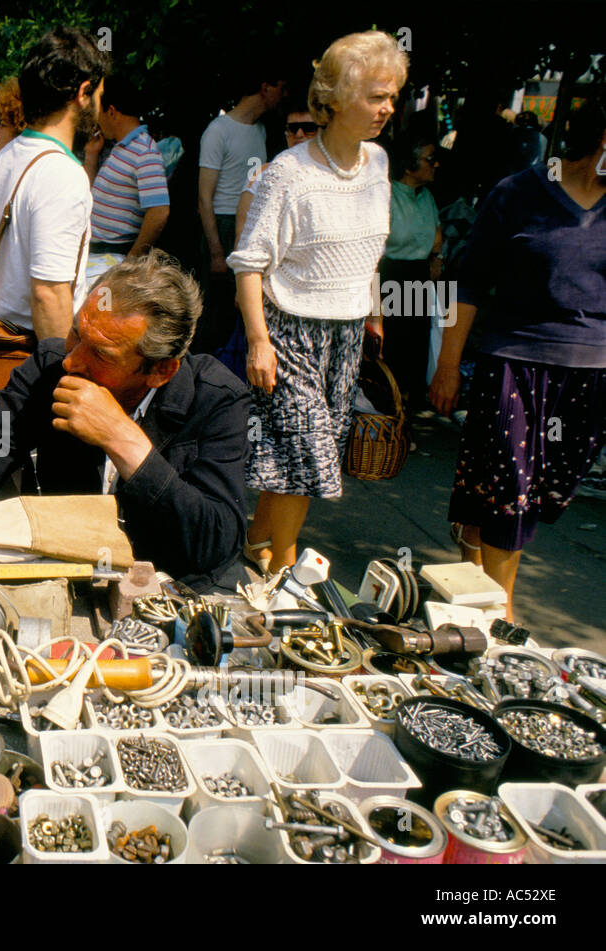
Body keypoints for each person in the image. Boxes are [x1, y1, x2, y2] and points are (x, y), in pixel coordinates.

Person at [0, 252, 250, 591]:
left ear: (161, 371)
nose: (72, 360)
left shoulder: (216, 399)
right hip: (75, 575)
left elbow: (215, 542)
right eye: (76, 335)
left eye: (101, 356)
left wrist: (125, 441)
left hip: (177, 588)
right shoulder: (50, 366)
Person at [228, 30, 405, 575]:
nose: (388, 107)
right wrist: (259, 342)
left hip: (346, 332)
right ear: (335, 98)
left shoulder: (377, 163)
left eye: (393, 95)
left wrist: (372, 311)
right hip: (290, 331)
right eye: (376, 95)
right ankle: (283, 569)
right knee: (308, 453)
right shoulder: (288, 173)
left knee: (302, 451)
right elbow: (249, 262)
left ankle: (256, 541)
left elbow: (370, 249)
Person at [429, 95, 606, 623]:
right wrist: (447, 365)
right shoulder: (518, 194)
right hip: (515, 360)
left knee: (537, 492)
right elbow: (469, 282)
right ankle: (500, 614)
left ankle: (472, 582)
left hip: (591, 373)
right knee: (512, 489)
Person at [0, 27, 108, 342]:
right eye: (100, 96)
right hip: (31, 363)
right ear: (83, 92)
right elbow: (49, 294)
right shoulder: (64, 175)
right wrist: (57, 377)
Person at [197, 68, 287, 354]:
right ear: (265, 87)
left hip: (251, 225)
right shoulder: (218, 130)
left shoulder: (260, 130)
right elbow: (203, 197)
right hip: (221, 226)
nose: (283, 96)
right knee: (215, 315)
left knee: (244, 312)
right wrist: (215, 252)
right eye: (280, 88)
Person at [82, 74, 170, 283]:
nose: (97, 120)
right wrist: (92, 155)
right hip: (97, 256)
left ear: (111, 112)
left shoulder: (144, 152)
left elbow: (159, 211)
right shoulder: (121, 147)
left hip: (111, 257)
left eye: (98, 113)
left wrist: (132, 259)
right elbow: (89, 193)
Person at [379, 137, 443, 409]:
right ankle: (389, 408)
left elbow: (437, 237)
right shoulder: (388, 194)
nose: (435, 164)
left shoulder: (427, 196)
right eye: (430, 158)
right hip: (391, 273)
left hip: (419, 273)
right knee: (392, 343)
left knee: (418, 343)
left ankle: (409, 409)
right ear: (409, 166)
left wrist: (436, 257)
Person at [233, 105, 320, 246]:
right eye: (292, 128)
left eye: (308, 128)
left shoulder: (334, 173)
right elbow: (243, 237)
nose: (299, 134)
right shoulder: (261, 174)